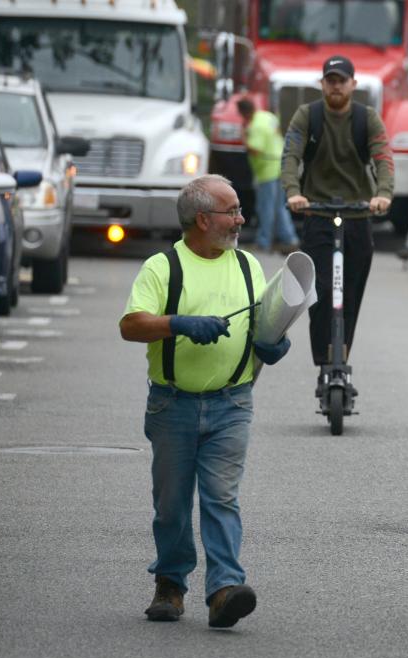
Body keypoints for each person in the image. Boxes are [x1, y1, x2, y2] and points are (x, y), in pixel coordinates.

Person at [119, 174, 292, 629]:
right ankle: (170, 584)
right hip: (172, 406)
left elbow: (264, 322)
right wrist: (179, 324)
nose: (241, 218)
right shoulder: (163, 267)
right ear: (201, 219)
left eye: (238, 210)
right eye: (231, 211)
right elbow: (131, 325)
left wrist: (274, 342)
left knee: (221, 498)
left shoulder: (246, 265)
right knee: (172, 504)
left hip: (232, 404)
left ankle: (224, 589)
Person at [281, 55, 394, 396]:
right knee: (322, 293)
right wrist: (294, 192)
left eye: (341, 80)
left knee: (350, 293)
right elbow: (290, 156)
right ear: (322, 83)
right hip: (317, 214)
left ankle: (341, 358)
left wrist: (383, 194)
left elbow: (383, 159)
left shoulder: (366, 118)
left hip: (358, 217)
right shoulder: (308, 115)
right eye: (330, 79)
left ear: (353, 85)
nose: (336, 85)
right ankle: (324, 360)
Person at [236, 97, 300, 254]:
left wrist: (243, 137)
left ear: (243, 113)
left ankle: (263, 242)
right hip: (281, 165)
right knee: (280, 207)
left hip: (267, 170)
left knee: (265, 207)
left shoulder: (255, 126)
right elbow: (280, 131)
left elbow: (256, 149)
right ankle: (289, 239)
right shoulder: (267, 116)